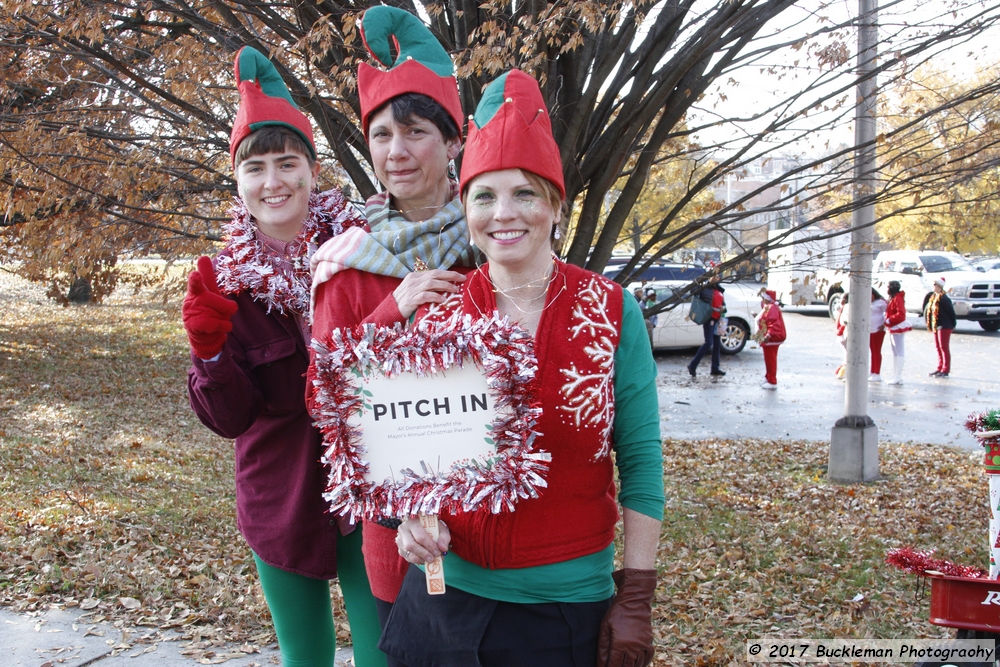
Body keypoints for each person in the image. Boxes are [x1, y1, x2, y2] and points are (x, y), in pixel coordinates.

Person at [378, 70, 664, 667]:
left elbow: (641, 462)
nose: (503, 213)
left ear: (556, 204)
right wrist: (407, 518)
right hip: (443, 606)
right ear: (466, 208)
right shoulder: (438, 313)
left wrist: (637, 594)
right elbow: (402, 456)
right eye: (484, 195)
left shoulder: (610, 311)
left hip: (563, 615)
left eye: (524, 193)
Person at [183, 47, 385, 667]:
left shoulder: (366, 249)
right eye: (257, 167)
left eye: (288, 163)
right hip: (281, 496)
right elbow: (233, 420)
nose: (274, 182)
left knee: (387, 653)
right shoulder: (224, 285)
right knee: (305, 658)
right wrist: (211, 354)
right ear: (238, 181)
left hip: (375, 487)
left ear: (312, 168)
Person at [305, 4, 478, 642]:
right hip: (397, 533)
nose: (396, 152)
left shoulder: (494, 238)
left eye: (415, 133)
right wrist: (391, 310)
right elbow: (321, 394)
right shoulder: (348, 260)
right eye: (382, 135)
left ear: (454, 140)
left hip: (501, 525)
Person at [687, 276, 726, 377]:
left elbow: (723, 304)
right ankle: (693, 365)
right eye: (714, 277)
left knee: (717, 344)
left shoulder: (719, 289)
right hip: (709, 318)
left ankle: (715, 368)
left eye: (718, 277)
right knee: (709, 342)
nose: (716, 279)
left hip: (718, 319)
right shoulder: (705, 288)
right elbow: (693, 291)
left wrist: (723, 308)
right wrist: (703, 281)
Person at [923, 276, 956, 377]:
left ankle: (945, 369)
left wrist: (953, 324)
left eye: (935, 285)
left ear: (939, 286)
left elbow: (951, 313)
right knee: (938, 347)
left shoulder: (944, 298)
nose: (933, 287)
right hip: (936, 325)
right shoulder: (933, 297)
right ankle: (940, 367)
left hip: (944, 325)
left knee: (944, 347)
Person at [756, 289, 786, 389]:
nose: (762, 299)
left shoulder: (771, 308)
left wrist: (768, 336)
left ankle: (772, 380)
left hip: (771, 339)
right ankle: (769, 377)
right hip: (770, 338)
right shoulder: (771, 307)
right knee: (769, 359)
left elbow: (773, 324)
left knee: (770, 359)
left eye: (763, 297)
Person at [883, 280, 912, 385]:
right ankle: (896, 375)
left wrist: (890, 320)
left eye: (888, 287)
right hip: (893, 326)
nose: (886, 289)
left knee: (899, 351)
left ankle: (898, 376)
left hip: (897, 326)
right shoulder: (894, 298)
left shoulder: (898, 298)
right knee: (895, 352)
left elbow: (901, 314)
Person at [869, 288, 888, 382]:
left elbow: (888, 312)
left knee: (877, 351)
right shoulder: (867, 302)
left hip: (878, 329)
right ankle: (872, 371)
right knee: (872, 351)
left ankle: (877, 373)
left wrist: (884, 324)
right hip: (869, 329)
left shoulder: (881, 302)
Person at [834, 293, 849, 380]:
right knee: (846, 354)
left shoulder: (847, 307)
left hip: (843, 334)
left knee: (848, 354)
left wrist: (840, 331)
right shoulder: (843, 308)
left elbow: (844, 321)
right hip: (841, 334)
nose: (840, 300)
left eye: (842, 299)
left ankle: (846, 373)